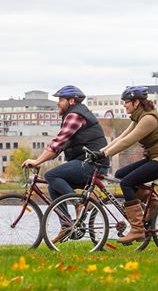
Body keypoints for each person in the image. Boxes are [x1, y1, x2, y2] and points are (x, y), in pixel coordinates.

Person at [97, 86, 158, 245]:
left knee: (126, 183)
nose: (124, 105)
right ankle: (154, 203)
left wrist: (105, 155)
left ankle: (137, 229)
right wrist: (100, 152)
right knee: (121, 174)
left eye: (127, 102)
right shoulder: (138, 117)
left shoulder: (149, 119)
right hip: (157, 157)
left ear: (136, 102)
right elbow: (120, 138)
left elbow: (127, 142)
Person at [22, 85, 108, 237]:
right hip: (87, 163)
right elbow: (57, 150)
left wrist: (37, 162)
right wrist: (40, 160)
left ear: (71, 101)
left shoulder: (76, 115)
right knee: (54, 187)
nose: (58, 103)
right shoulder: (75, 114)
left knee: (51, 176)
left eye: (61, 100)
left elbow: (57, 143)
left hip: (92, 165)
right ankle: (67, 226)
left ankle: (80, 204)